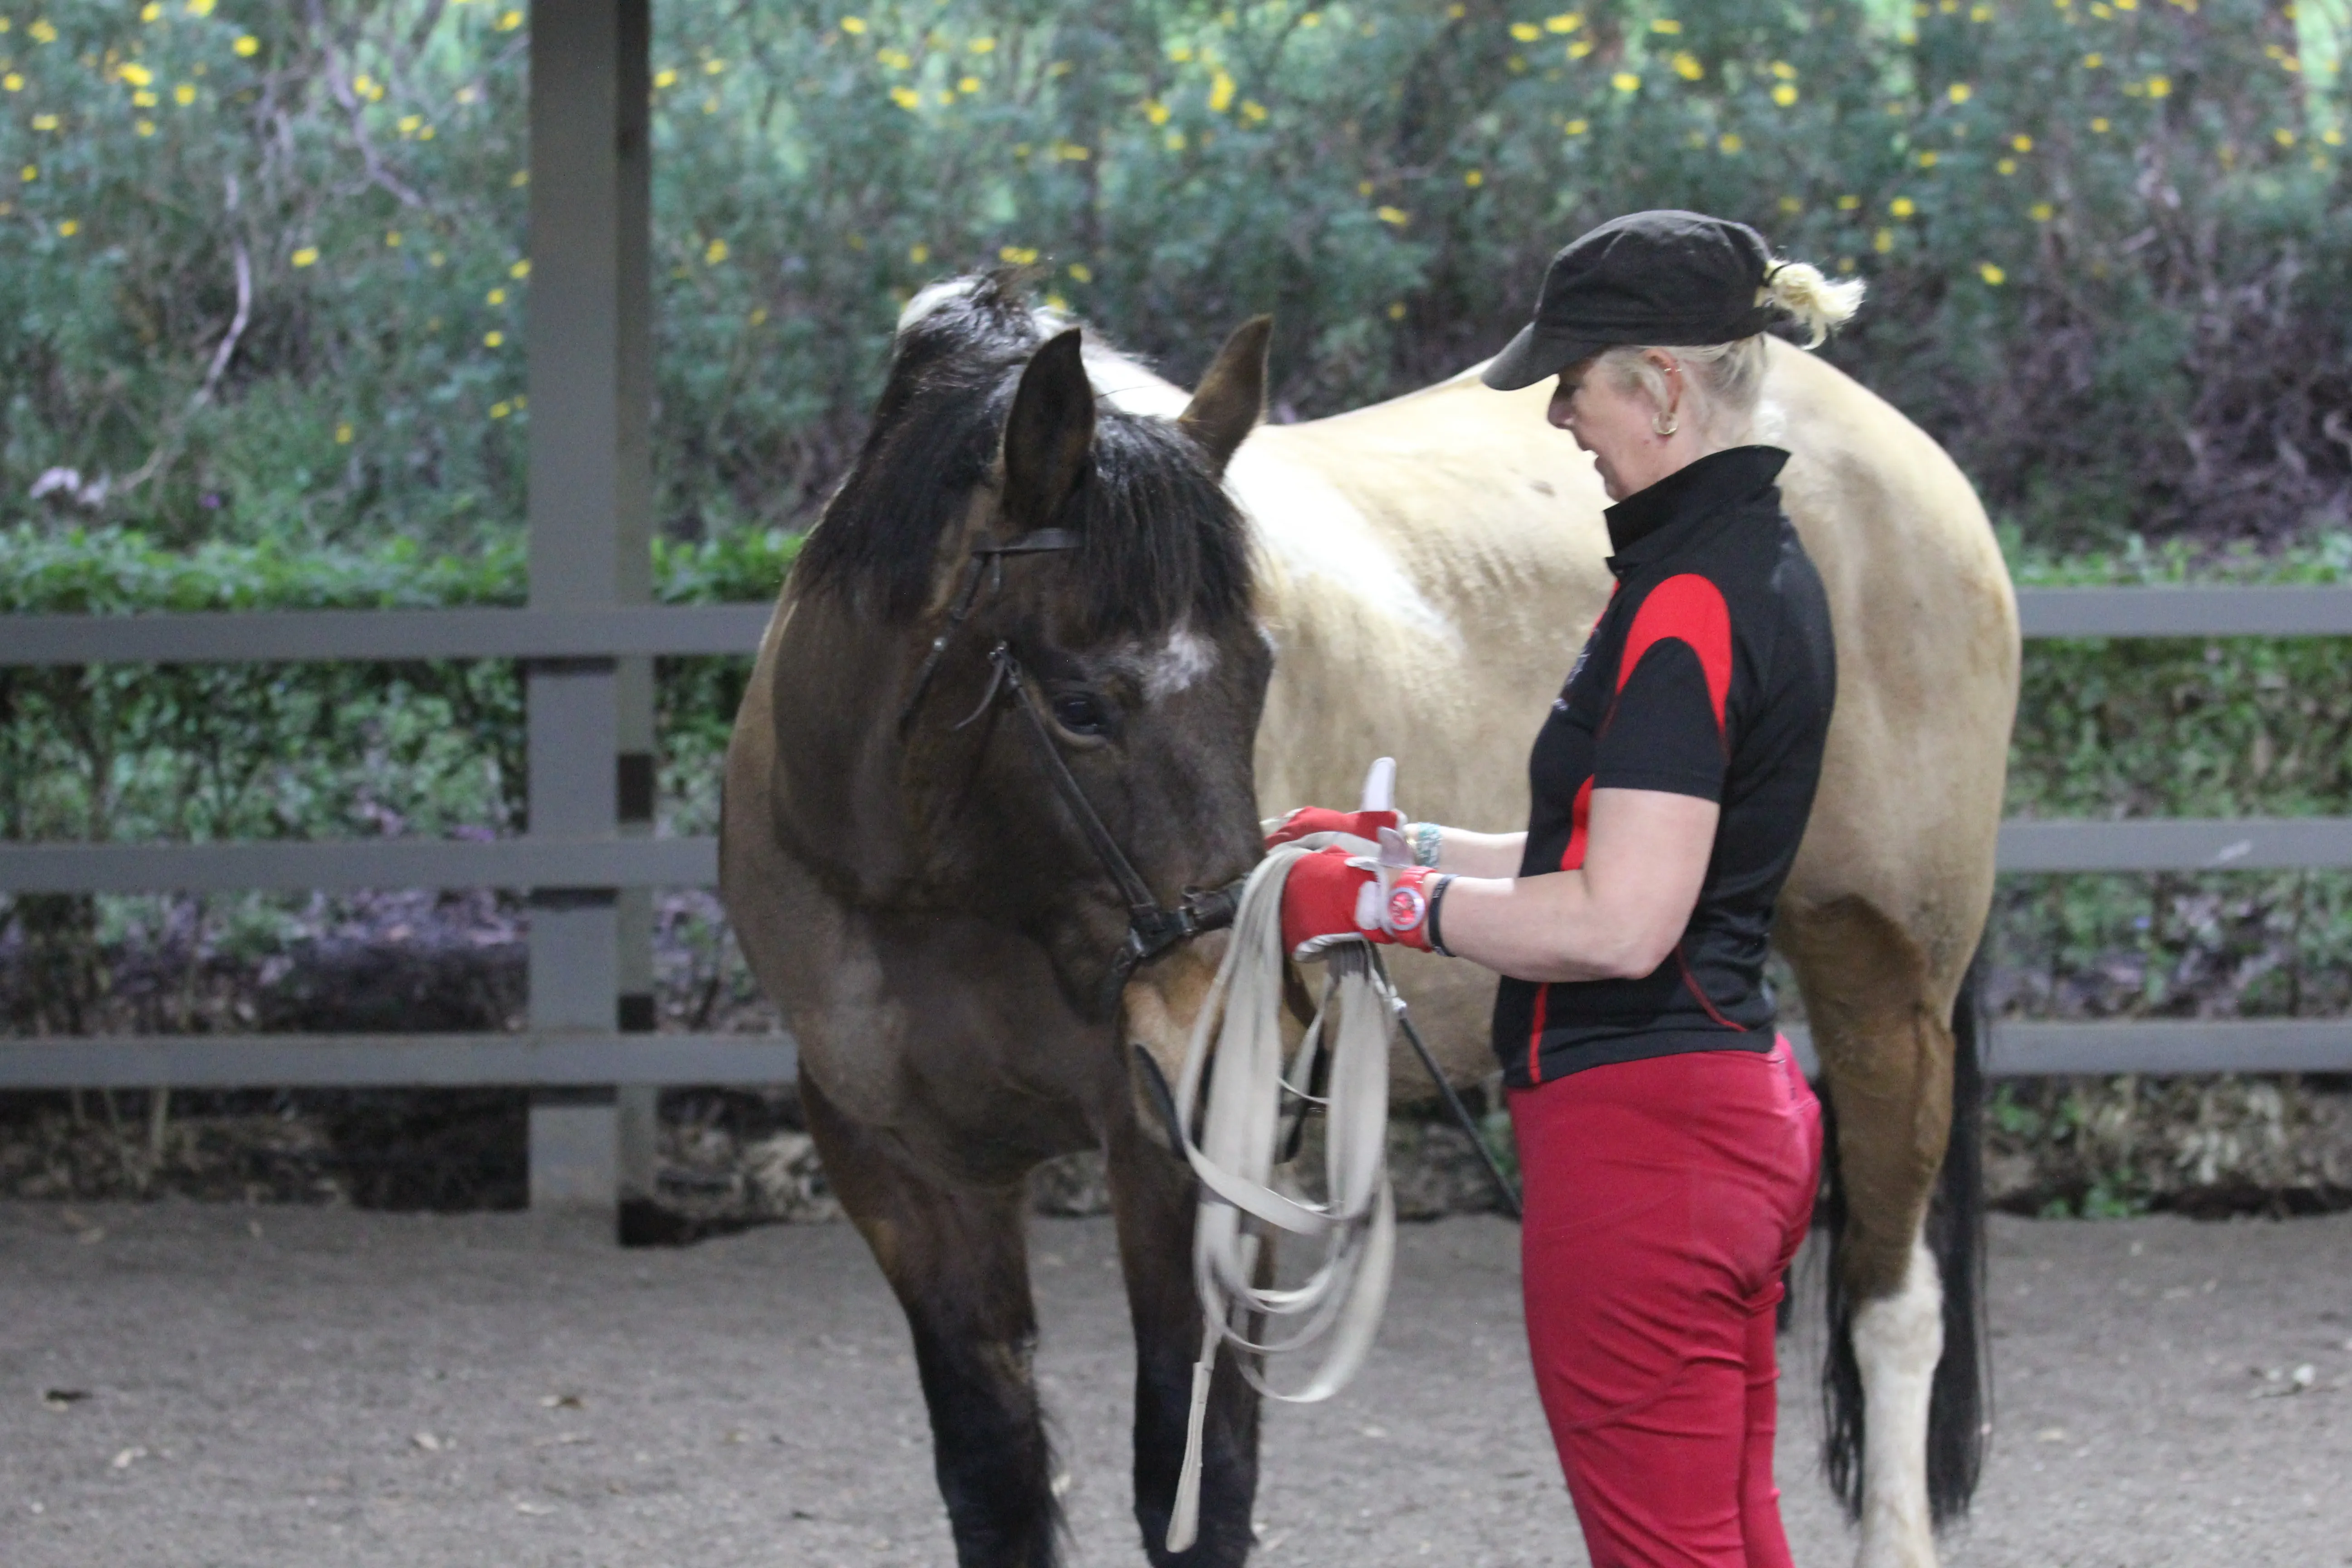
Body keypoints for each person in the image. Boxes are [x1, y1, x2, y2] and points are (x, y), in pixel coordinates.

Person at [1271, 209, 1859, 1568]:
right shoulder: (1740, 568)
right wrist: (1395, 845)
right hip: (1727, 1108)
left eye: (1576, 382)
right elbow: (1600, 860)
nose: (1556, 418)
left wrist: (1377, 910)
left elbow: (1617, 922)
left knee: (1666, 1551)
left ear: (1656, 384)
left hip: (1645, 1141)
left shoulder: (1690, 604)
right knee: (1729, 1535)